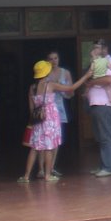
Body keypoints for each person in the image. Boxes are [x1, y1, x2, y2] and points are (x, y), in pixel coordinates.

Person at [19, 59, 91, 184]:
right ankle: (47, 175)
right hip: (50, 118)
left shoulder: (32, 87)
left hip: (37, 119)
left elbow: (32, 108)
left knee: (34, 148)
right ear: (46, 73)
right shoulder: (50, 85)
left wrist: (34, 120)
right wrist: (86, 76)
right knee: (49, 147)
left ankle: (26, 176)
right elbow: (71, 88)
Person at [85, 39, 111, 177]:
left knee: (106, 136)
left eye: (97, 48)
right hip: (96, 104)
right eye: (93, 48)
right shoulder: (98, 63)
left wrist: (91, 83)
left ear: (105, 49)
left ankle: (109, 167)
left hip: (104, 104)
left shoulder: (110, 62)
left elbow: (108, 80)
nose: (94, 51)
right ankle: (104, 165)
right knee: (101, 137)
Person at [38, 51, 72, 179]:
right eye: (51, 58)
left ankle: (51, 168)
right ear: (47, 60)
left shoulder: (66, 73)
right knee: (43, 140)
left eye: (56, 58)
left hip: (59, 109)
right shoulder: (43, 74)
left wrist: (61, 87)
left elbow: (70, 93)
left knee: (56, 140)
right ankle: (41, 169)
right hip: (45, 110)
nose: (54, 61)